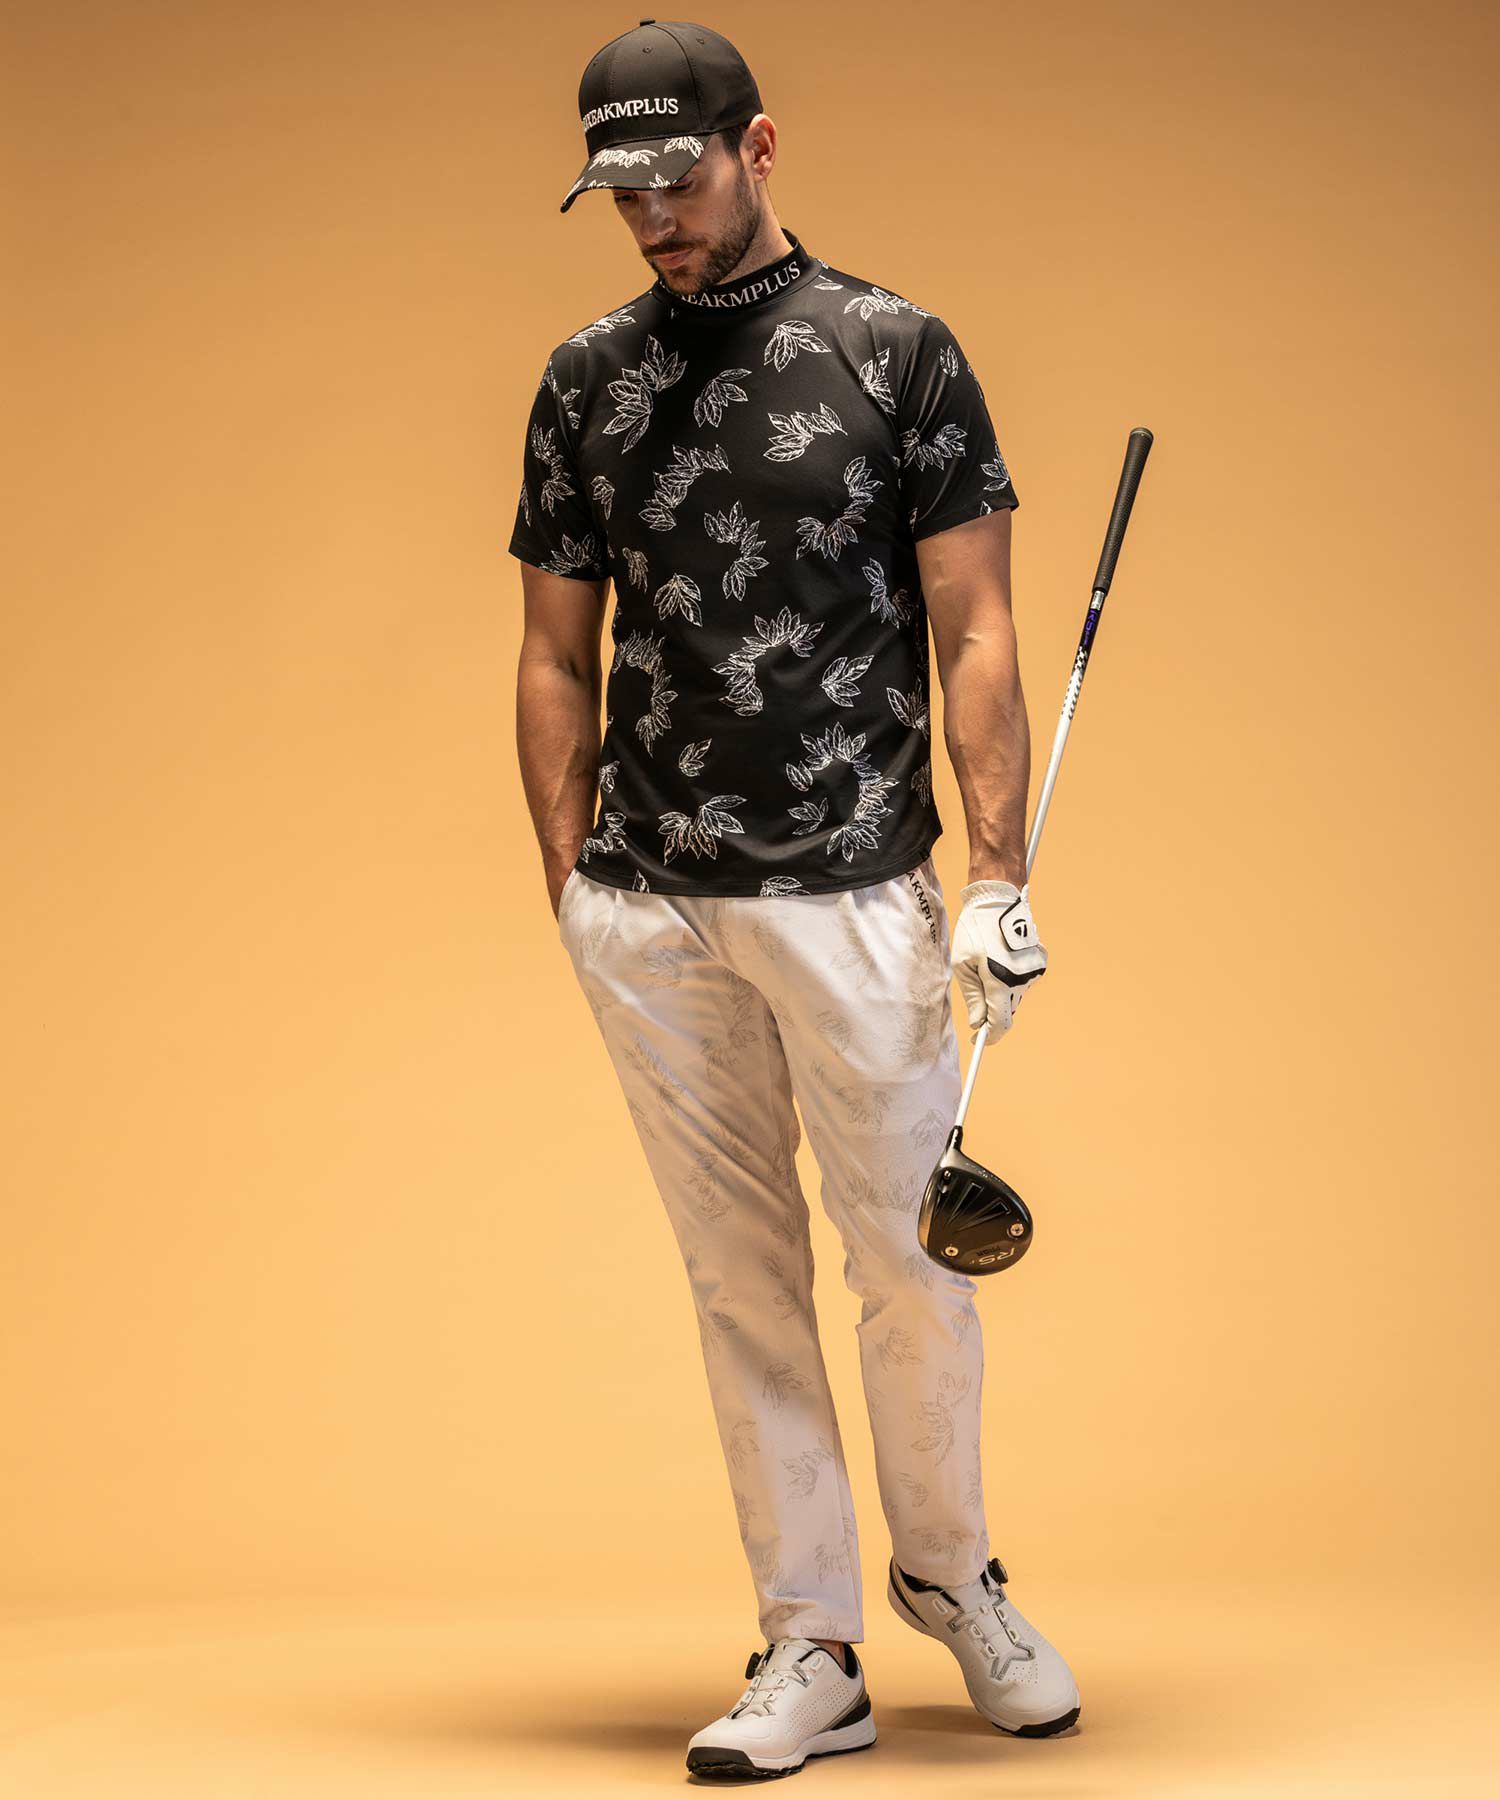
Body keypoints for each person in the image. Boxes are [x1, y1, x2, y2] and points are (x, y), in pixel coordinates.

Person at [509, 19, 1079, 1780]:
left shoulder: (894, 353)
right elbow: (553, 651)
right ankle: (809, 1643)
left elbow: (976, 624)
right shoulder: (586, 378)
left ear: (759, 149)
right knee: (738, 1283)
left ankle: (950, 1575)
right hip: (651, 910)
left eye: (675, 179)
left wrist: (995, 876)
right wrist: (570, 887)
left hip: (851, 892)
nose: (652, 219)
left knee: (912, 1267)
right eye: (621, 193)